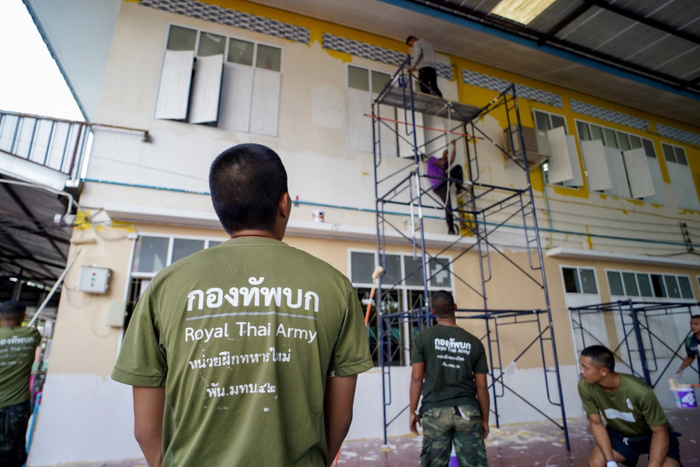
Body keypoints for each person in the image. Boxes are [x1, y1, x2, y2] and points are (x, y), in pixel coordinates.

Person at [112, 143, 373, 467]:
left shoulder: (164, 286)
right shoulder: (336, 287)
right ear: (284, 204)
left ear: (221, 208)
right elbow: (340, 418)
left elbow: (145, 429)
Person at [409, 291, 489, 467]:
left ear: (432, 311)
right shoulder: (474, 342)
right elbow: (482, 386)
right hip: (468, 412)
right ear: (455, 307)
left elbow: (416, 378)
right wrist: (484, 419)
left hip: (435, 412)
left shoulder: (422, 338)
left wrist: (412, 411)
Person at [578, 345, 681, 467]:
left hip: (652, 435)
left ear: (603, 371)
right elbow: (596, 423)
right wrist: (610, 461)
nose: (581, 371)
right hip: (621, 436)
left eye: (585, 367)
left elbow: (659, 432)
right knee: (596, 463)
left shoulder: (640, 391)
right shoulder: (585, 386)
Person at [0, 300, 41, 467]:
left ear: (0, 317)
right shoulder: (32, 335)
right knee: (15, 450)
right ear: (23, 316)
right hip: (18, 406)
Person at [426, 140, 464, 235]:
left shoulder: (443, 166)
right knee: (448, 205)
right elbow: (442, 162)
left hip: (444, 181)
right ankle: (451, 229)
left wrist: (454, 146)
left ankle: (459, 188)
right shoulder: (432, 159)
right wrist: (444, 155)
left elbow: (451, 160)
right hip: (438, 185)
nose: (445, 161)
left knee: (457, 168)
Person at [674, 314, 699, 380]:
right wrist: (680, 369)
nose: (692, 326)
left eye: (696, 324)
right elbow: (690, 357)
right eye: (691, 324)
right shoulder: (689, 341)